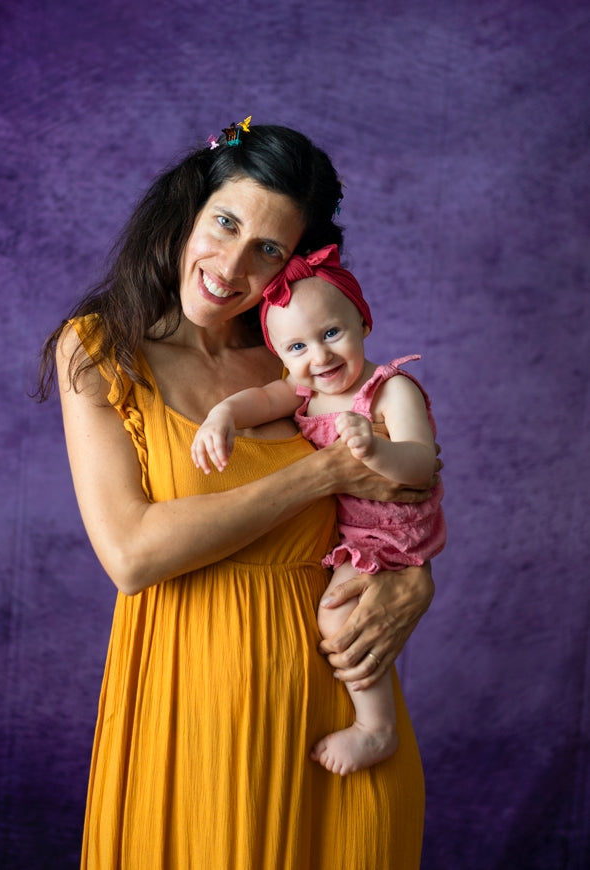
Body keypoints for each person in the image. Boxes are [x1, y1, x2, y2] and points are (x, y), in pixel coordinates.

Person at [37, 121, 438, 869]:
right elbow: (130, 554)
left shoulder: (303, 360)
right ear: (188, 211)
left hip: (338, 722)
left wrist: (416, 579)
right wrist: (320, 474)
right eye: (225, 222)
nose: (231, 265)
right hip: (190, 711)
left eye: (269, 249)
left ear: (297, 265)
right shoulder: (100, 351)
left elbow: (400, 494)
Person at [191, 243, 445, 776]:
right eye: (298, 347)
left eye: (332, 334)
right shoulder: (304, 388)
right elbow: (260, 400)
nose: (321, 358)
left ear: (363, 322)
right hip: (353, 529)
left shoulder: (389, 389)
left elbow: (421, 465)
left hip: (389, 532)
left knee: (337, 613)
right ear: (281, 356)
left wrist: (375, 450)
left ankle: (376, 728)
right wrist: (222, 416)